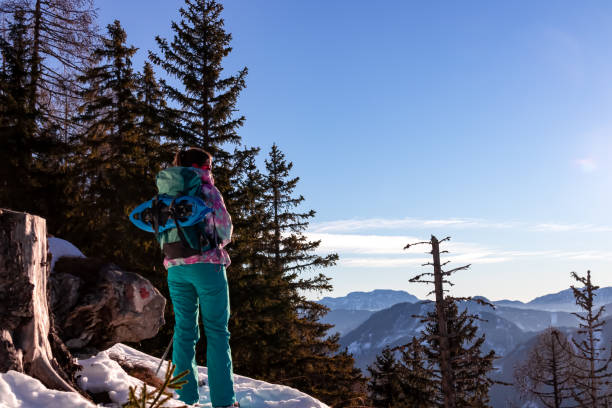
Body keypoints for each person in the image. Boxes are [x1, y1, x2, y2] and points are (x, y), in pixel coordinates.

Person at [160, 147, 239, 408]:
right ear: (203, 167)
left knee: (184, 331)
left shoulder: (166, 191)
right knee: (217, 333)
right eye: (209, 167)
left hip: (175, 267)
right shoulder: (207, 191)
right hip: (207, 267)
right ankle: (224, 402)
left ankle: (183, 399)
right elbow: (224, 230)